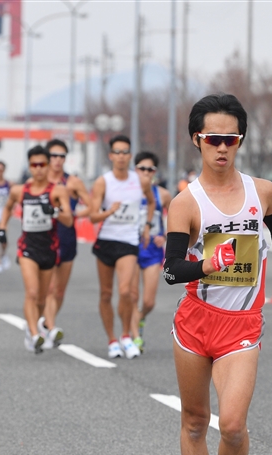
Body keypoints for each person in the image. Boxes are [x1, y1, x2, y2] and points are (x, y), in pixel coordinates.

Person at [162, 93, 272, 455]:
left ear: (240, 140)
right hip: (197, 321)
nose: (222, 148)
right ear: (196, 140)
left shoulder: (263, 192)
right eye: (213, 139)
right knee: (196, 421)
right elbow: (170, 270)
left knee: (234, 424)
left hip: (241, 323)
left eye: (231, 139)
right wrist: (207, 264)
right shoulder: (186, 203)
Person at [0, 146, 73, 352]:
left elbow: (69, 219)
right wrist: (2, 227)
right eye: (34, 165)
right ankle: (33, 333)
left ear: (48, 166)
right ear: (29, 166)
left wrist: (54, 211)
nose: (38, 169)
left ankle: (36, 325)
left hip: (49, 248)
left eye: (42, 164)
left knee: (42, 296)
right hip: (27, 247)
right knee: (31, 291)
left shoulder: (57, 190)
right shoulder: (19, 190)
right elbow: (8, 206)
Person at [87, 134, 154, 359]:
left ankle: (126, 334)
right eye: (117, 152)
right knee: (106, 294)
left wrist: (146, 225)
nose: (121, 156)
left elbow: (151, 201)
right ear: (110, 156)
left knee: (126, 291)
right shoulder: (103, 182)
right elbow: (93, 217)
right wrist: (109, 211)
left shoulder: (141, 180)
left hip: (128, 241)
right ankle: (112, 339)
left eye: (125, 152)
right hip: (106, 240)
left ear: (130, 155)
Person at [38, 139, 91, 349]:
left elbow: (91, 205)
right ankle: (49, 327)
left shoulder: (73, 182)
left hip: (67, 236)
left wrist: (74, 214)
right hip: (44, 238)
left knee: (59, 291)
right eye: (53, 156)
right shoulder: (40, 182)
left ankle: (46, 323)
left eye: (61, 156)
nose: (58, 160)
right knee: (49, 288)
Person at [128, 150, 172, 352]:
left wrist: (165, 236)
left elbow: (175, 219)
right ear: (135, 170)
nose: (146, 172)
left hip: (153, 250)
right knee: (133, 294)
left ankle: (139, 317)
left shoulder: (162, 195)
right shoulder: (127, 192)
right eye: (142, 169)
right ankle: (134, 334)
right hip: (130, 247)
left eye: (150, 169)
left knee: (149, 300)